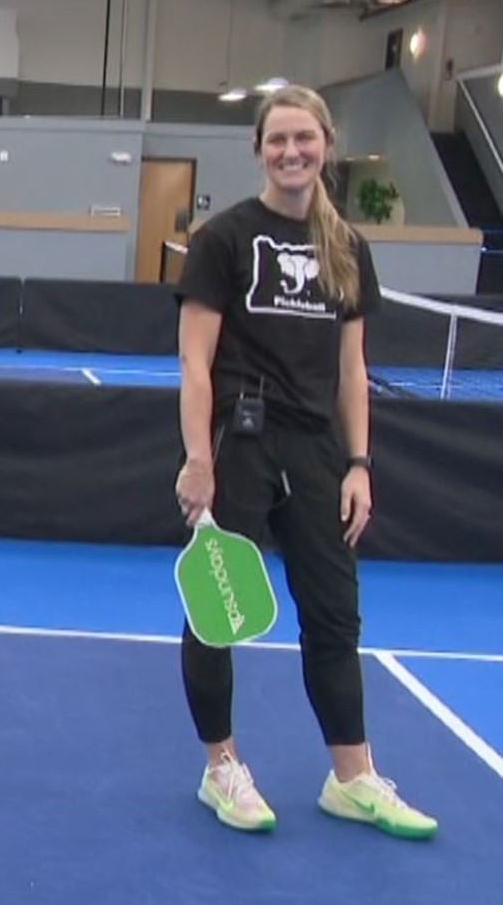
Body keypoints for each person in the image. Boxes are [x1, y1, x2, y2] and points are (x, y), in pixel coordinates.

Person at [173, 83, 434, 840]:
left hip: (319, 453)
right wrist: (198, 461)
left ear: (326, 146)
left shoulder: (347, 247)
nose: (291, 152)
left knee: (334, 617)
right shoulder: (224, 240)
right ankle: (221, 766)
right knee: (218, 615)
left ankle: (351, 778)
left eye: (305, 139)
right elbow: (195, 363)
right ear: (259, 150)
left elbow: (353, 370)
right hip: (239, 447)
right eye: (277, 139)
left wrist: (359, 462)